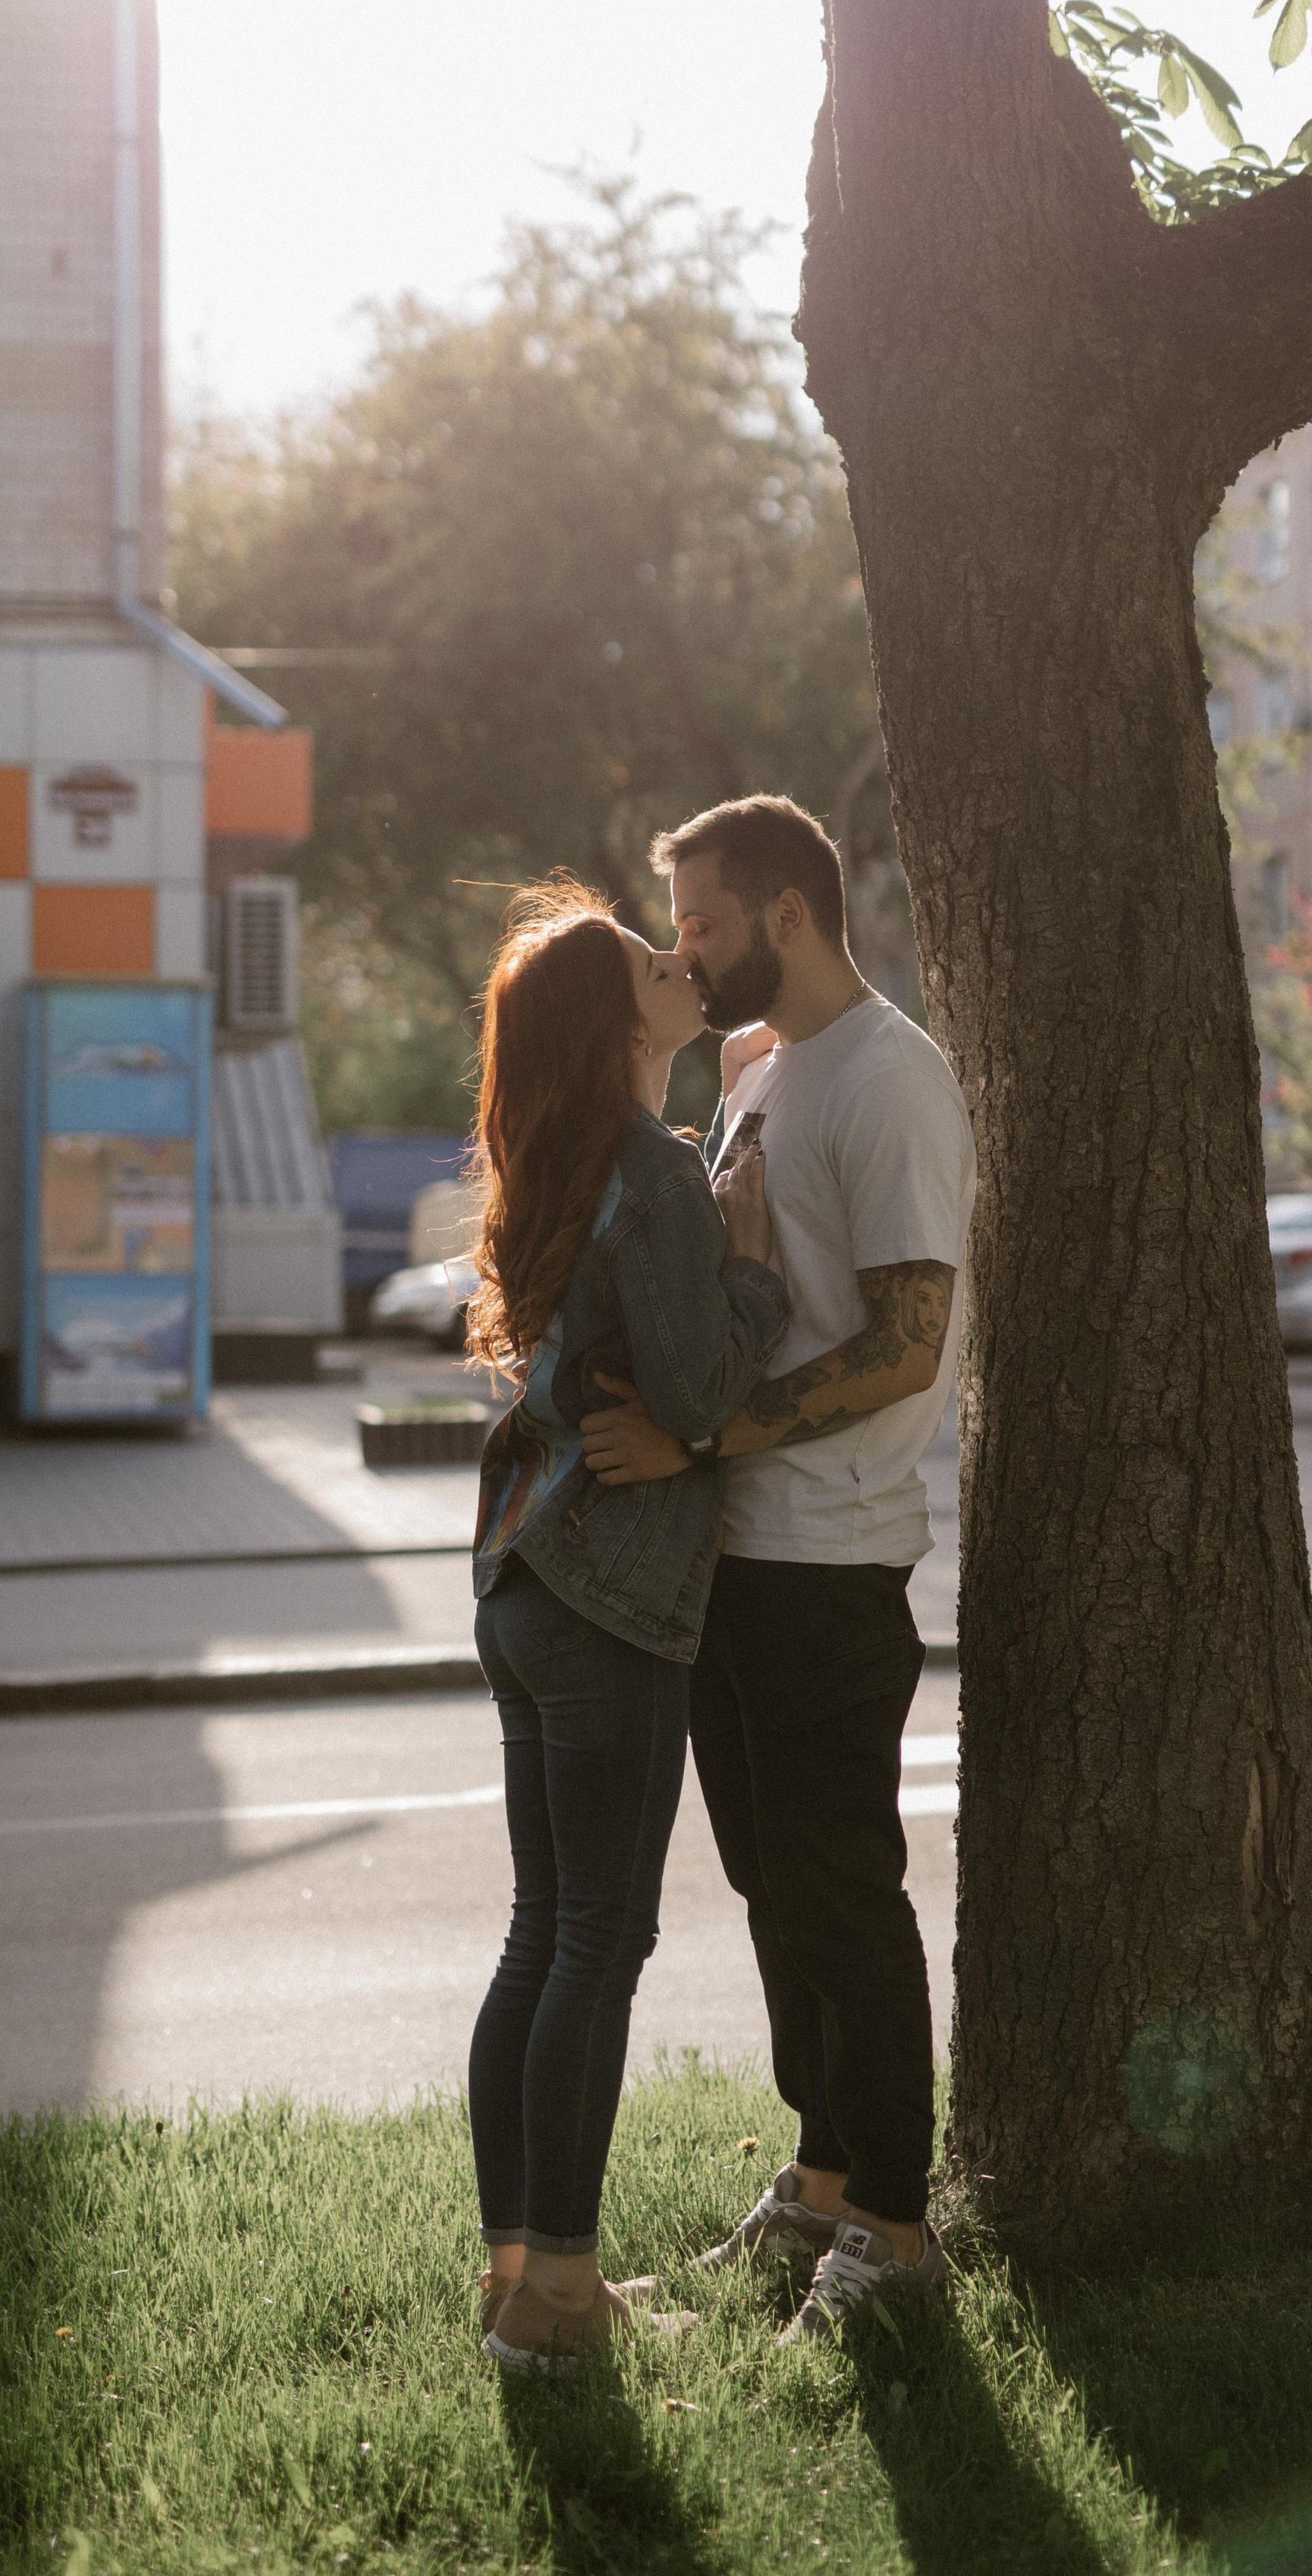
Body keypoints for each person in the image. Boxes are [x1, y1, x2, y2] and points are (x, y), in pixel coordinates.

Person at [581, 795, 976, 2344]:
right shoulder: (764, 1073)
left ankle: (892, 2225)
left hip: (825, 1559)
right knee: (769, 1887)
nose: (683, 948)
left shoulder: (889, 1079)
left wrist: (705, 1437)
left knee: (838, 1889)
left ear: (790, 914)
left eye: (702, 924)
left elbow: (904, 1342)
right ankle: (815, 2182)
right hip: (733, 1557)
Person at [463, 878, 788, 2373]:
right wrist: (750, 1258)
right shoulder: (653, 1173)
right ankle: (565, 2308)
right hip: (607, 1599)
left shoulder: (554, 1160)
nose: (681, 966)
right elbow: (705, 1396)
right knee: (599, 1935)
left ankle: (517, 2277)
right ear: (617, 1028)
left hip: (522, 1586)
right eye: (653, 964)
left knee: (544, 1932)